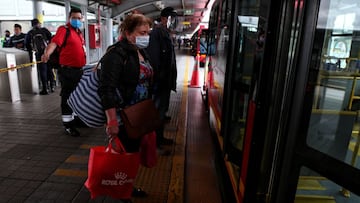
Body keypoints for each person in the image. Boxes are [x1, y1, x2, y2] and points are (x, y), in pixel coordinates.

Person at [98, 13, 153, 201]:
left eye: (148, 32)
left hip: (138, 115)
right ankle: (121, 191)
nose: (146, 36)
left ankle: (126, 187)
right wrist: (112, 121)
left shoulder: (139, 51)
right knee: (125, 155)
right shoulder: (116, 54)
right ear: (128, 33)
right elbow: (106, 89)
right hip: (123, 117)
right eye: (142, 32)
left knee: (132, 154)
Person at [41, 7, 86, 137]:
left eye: (79, 18)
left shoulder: (78, 32)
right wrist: (46, 54)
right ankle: (68, 125)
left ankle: (76, 119)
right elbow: (54, 44)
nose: (77, 20)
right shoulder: (64, 30)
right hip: (68, 71)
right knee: (67, 97)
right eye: (74, 18)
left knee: (77, 97)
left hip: (79, 71)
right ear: (69, 18)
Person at [146, 6, 178, 150]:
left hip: (165, 81)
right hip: (160, 81)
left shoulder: (165, 33)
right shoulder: (157, 33)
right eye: (172, 19)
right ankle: (156, 142)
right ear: (164, 18)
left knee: (161, 111)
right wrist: (158, 79)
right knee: (158, 111)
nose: (175, 22)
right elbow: (154, 58)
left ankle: (159, 138)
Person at [26, 18, 52, 95]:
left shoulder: (30, 33)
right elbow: (51, 39)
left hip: (39, 54)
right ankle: (52, 86)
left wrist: (31, 54)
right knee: (49, 69)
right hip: (47, 52)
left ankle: (45, 88)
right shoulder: (44, 30)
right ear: (38, 23)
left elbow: (27, 44)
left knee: (42, 70)